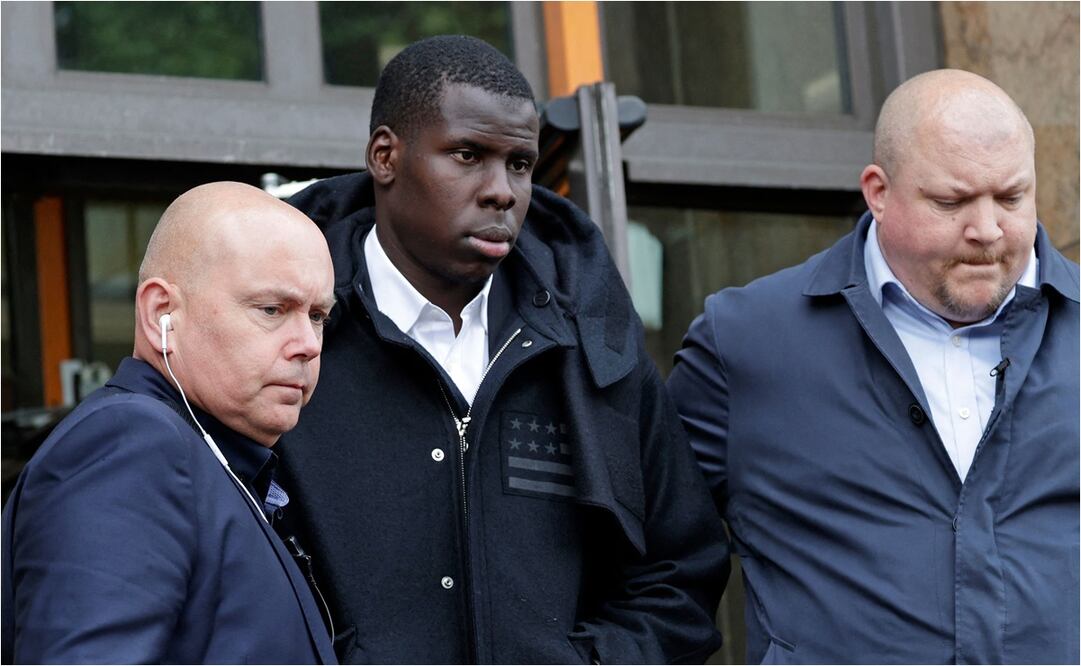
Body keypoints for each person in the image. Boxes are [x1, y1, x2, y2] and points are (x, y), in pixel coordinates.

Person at [276, 35, 728, 664]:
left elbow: (682, 568)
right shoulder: (289, 338)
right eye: (467, 155)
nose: (503, 192)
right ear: (386, 156)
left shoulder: (591, 340)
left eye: (519, 164)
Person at [668, 69, 1079, 664]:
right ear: (878, 192)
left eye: (1012, 197)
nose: (987, 230)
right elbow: (650, 567)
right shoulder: (745, 343)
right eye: (951, 200)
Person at [1, 182, 339, 663]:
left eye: (319, 315)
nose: (308, 342)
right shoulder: (131, 447)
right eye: (272, 309)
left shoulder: (211, 454)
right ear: (162, 312)